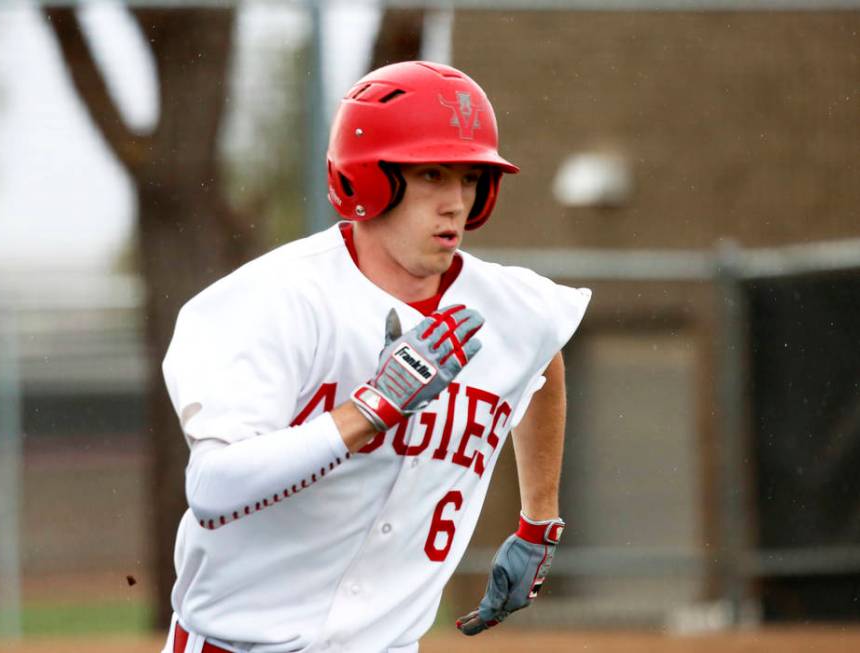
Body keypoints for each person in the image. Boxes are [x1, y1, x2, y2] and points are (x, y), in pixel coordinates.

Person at [160, 60, 590, 653]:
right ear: (368, 179)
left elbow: (546, 352)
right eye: (432, 174)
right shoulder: (275, 299)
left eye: (469, 177)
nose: (456, 202)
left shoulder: (508, 307)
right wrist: (372, 407)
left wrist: (539, 520)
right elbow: (213, 488)